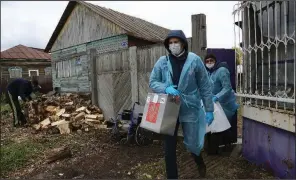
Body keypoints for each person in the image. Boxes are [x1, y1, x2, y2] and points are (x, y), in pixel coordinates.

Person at [149, 30, 214, 179]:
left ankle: (199, 162)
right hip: (170, 107)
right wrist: (166, 88)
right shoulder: (163, 62)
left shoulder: (194, 60)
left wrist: (209, 109)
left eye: (176, 42)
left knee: (193, 143)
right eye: (170, 43)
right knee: (169, 147)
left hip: (190, 107)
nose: (173, 45)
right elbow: (153, 81)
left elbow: (204, 86)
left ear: (183, 43)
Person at [204, 54, 239, 154]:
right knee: (215, 126)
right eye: (207, 61)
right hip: (215, 104)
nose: (209, 63)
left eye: (211, 60)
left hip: (225, 104)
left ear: (215, 61)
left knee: (223, 127)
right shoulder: (209, 72)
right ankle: (214, 149)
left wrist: (216, 97)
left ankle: (224, 148)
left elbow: (227, 88)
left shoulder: (221, 71)